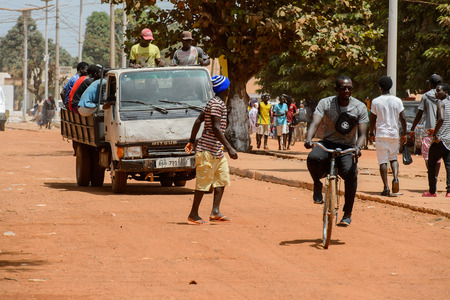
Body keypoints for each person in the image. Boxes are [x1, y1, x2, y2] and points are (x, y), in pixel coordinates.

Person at [304, 75, 368, 227]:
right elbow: (315, 122)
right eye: (343, 88)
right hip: (327, 143)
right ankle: (317, 185)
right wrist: (308, 138)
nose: (347, 90)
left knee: (351, 174)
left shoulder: (359, 107)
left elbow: (363, 133)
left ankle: (347, 213)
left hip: (348, 147)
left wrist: (358, 147)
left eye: (349, 88)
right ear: (336, 89)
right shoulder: (325, 103)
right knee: (313, 158)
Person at [184, 75, 238, 225]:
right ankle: (193, 214)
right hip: (207, 150)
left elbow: (198, 120)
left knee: (221, 179)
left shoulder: (213, 102)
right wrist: (230, 147)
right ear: (225, 89)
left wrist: (191, 140)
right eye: (228, 86)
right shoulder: (216, 104)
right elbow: (215, 127)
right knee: (203, 182)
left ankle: (215, 211)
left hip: (216, 151)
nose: (229, 89)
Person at [369, 76, 407, 196]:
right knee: (394, 158)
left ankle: (386, 187)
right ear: (390, 87)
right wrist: (404, 134)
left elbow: (372, 119)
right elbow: (403, 118)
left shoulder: (375, 101)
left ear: (380, 87)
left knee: (382, 161)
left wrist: (371, 133)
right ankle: (395, 178)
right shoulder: (397, 101)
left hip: (381, 134)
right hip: (394, 134)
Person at [410, 74, 443, 179]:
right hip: (442, 132)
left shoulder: (425, 96)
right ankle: (435, 178)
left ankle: (431, 175)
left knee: (427, 156)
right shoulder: (446, 97)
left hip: (428, 132)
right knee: (438, 158)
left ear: (430, 84)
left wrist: (412, 128)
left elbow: (419, 114)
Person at [423, 83, 450, 197]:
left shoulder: (440, 103)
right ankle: (449, 191)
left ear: (446, 92)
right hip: (449, 140)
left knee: (431, 164)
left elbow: (441, 119)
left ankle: (432, 191)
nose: (436, 93)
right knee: (448, 166)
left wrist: (434, 134)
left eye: (439, 91)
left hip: (440, 140)